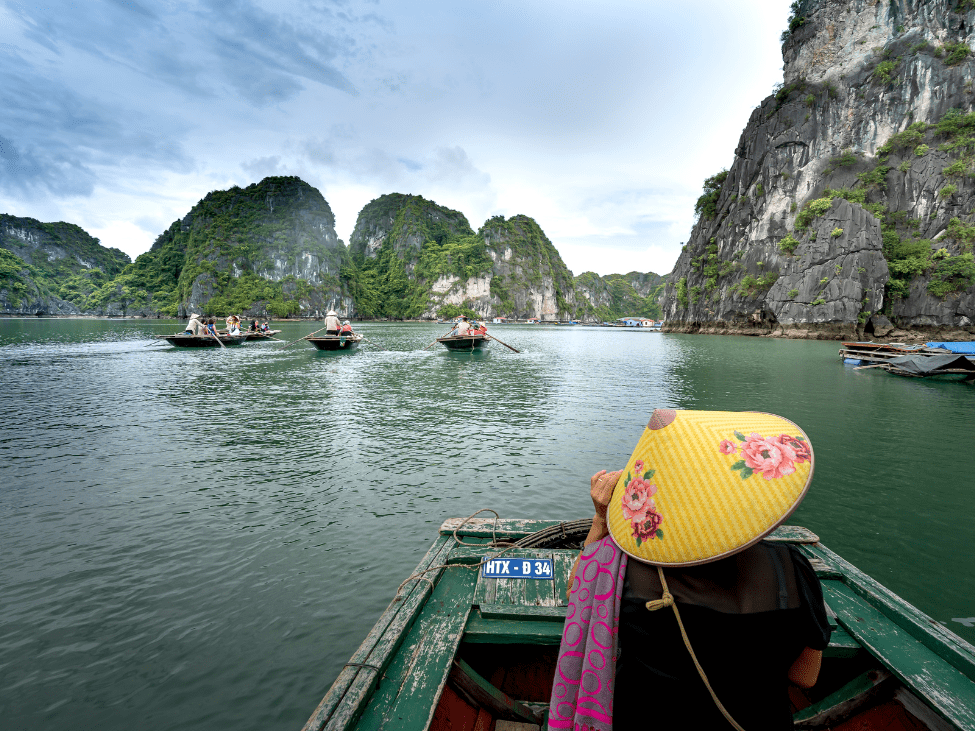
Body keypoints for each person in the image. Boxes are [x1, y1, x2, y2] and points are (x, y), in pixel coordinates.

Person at [550, 409, 830, 731]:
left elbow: (578, 596)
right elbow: (805, 677)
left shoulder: (620, 563)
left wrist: (602, 520)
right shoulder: (790, 567)